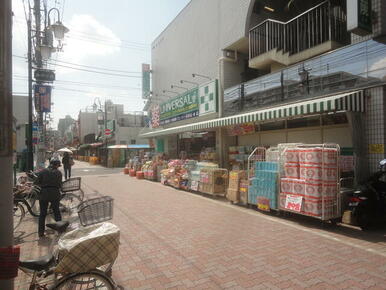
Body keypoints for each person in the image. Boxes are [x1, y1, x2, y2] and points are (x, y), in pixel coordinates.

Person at [34, 160, 62, 238]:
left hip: (44, 194)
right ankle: (60, 230)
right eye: (58, 165)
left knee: (42, 214)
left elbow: (36, 183)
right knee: (56, 212)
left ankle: (41, 233)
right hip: (55, 194)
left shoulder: (43, 171)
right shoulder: (58, 173)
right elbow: (60, 185)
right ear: (56, 165)